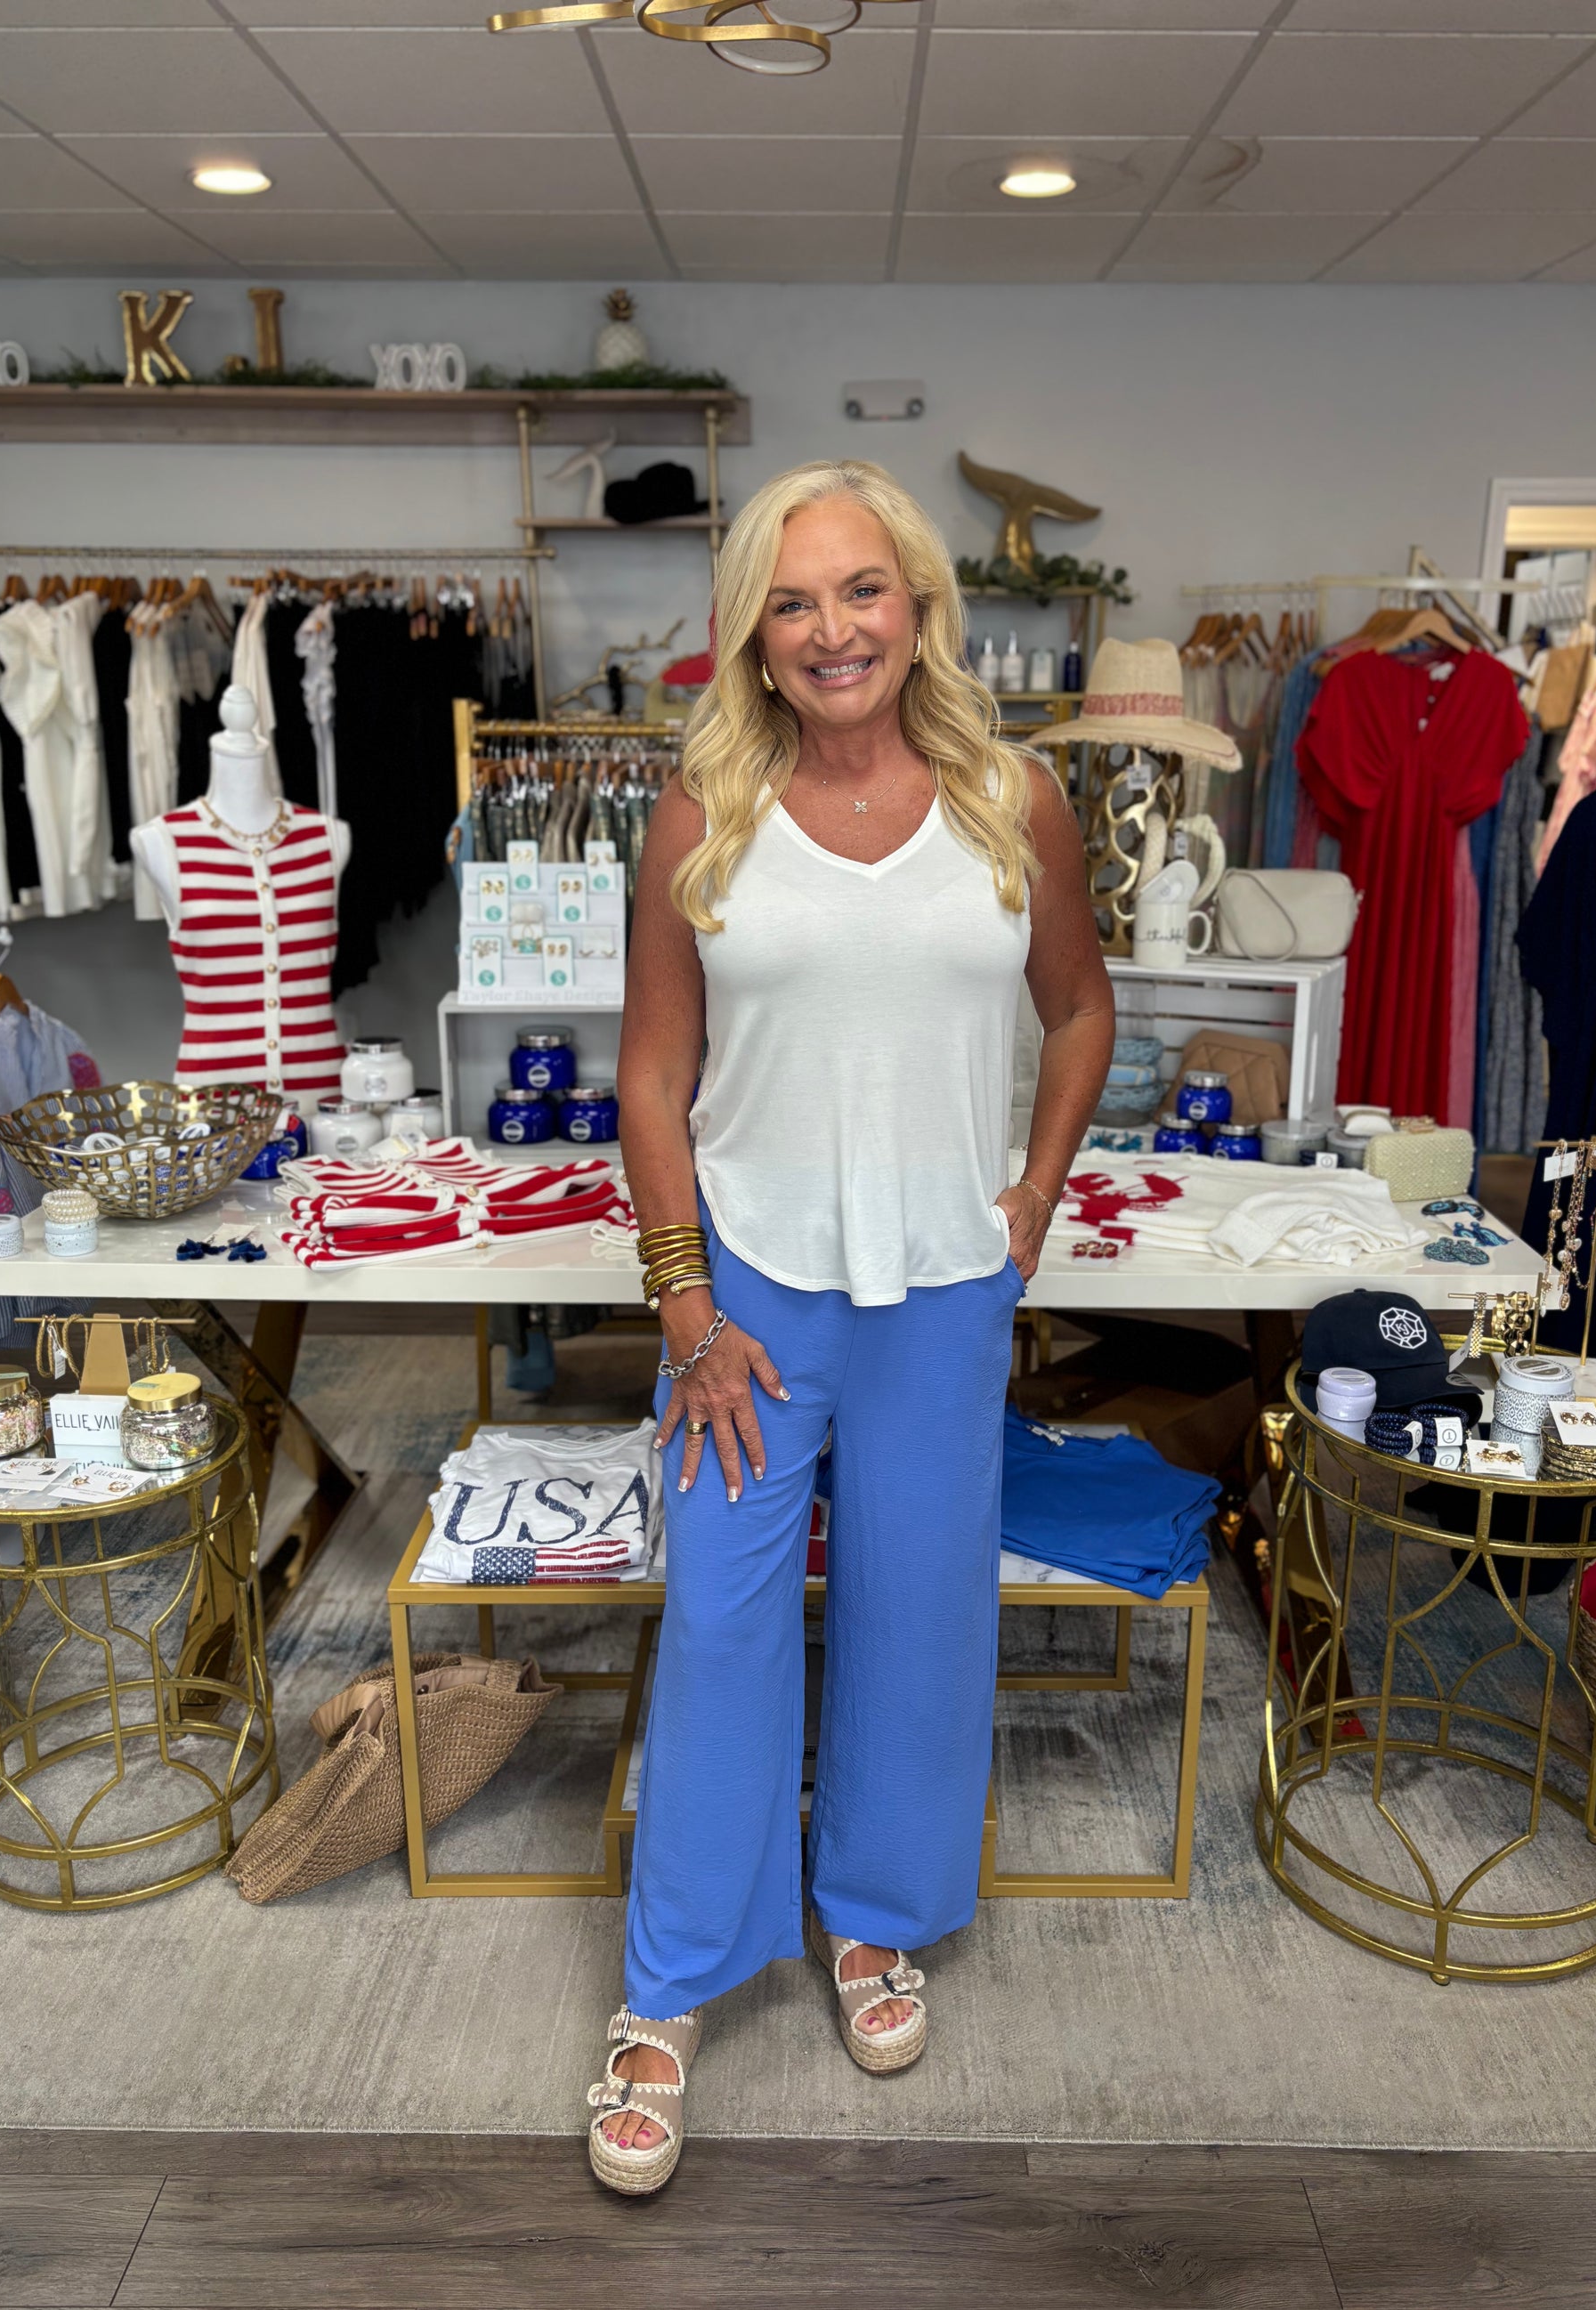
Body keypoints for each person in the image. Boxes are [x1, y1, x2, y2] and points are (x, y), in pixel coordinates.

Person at [587, 458, 1114, 2194]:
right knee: (720, 1626)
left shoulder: (1012, 800)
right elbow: (651, 1075)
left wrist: (1033, 1194)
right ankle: (671, 1983)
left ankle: (871, 1913)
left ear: (917, 605)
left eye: (861, 589)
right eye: (792, 600)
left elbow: (1081, 1008)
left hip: (943, 1291)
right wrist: (687, 1307)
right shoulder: (702, 813)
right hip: (748, 1289)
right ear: (753, 631)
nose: (832, 629)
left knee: (918, 1615)